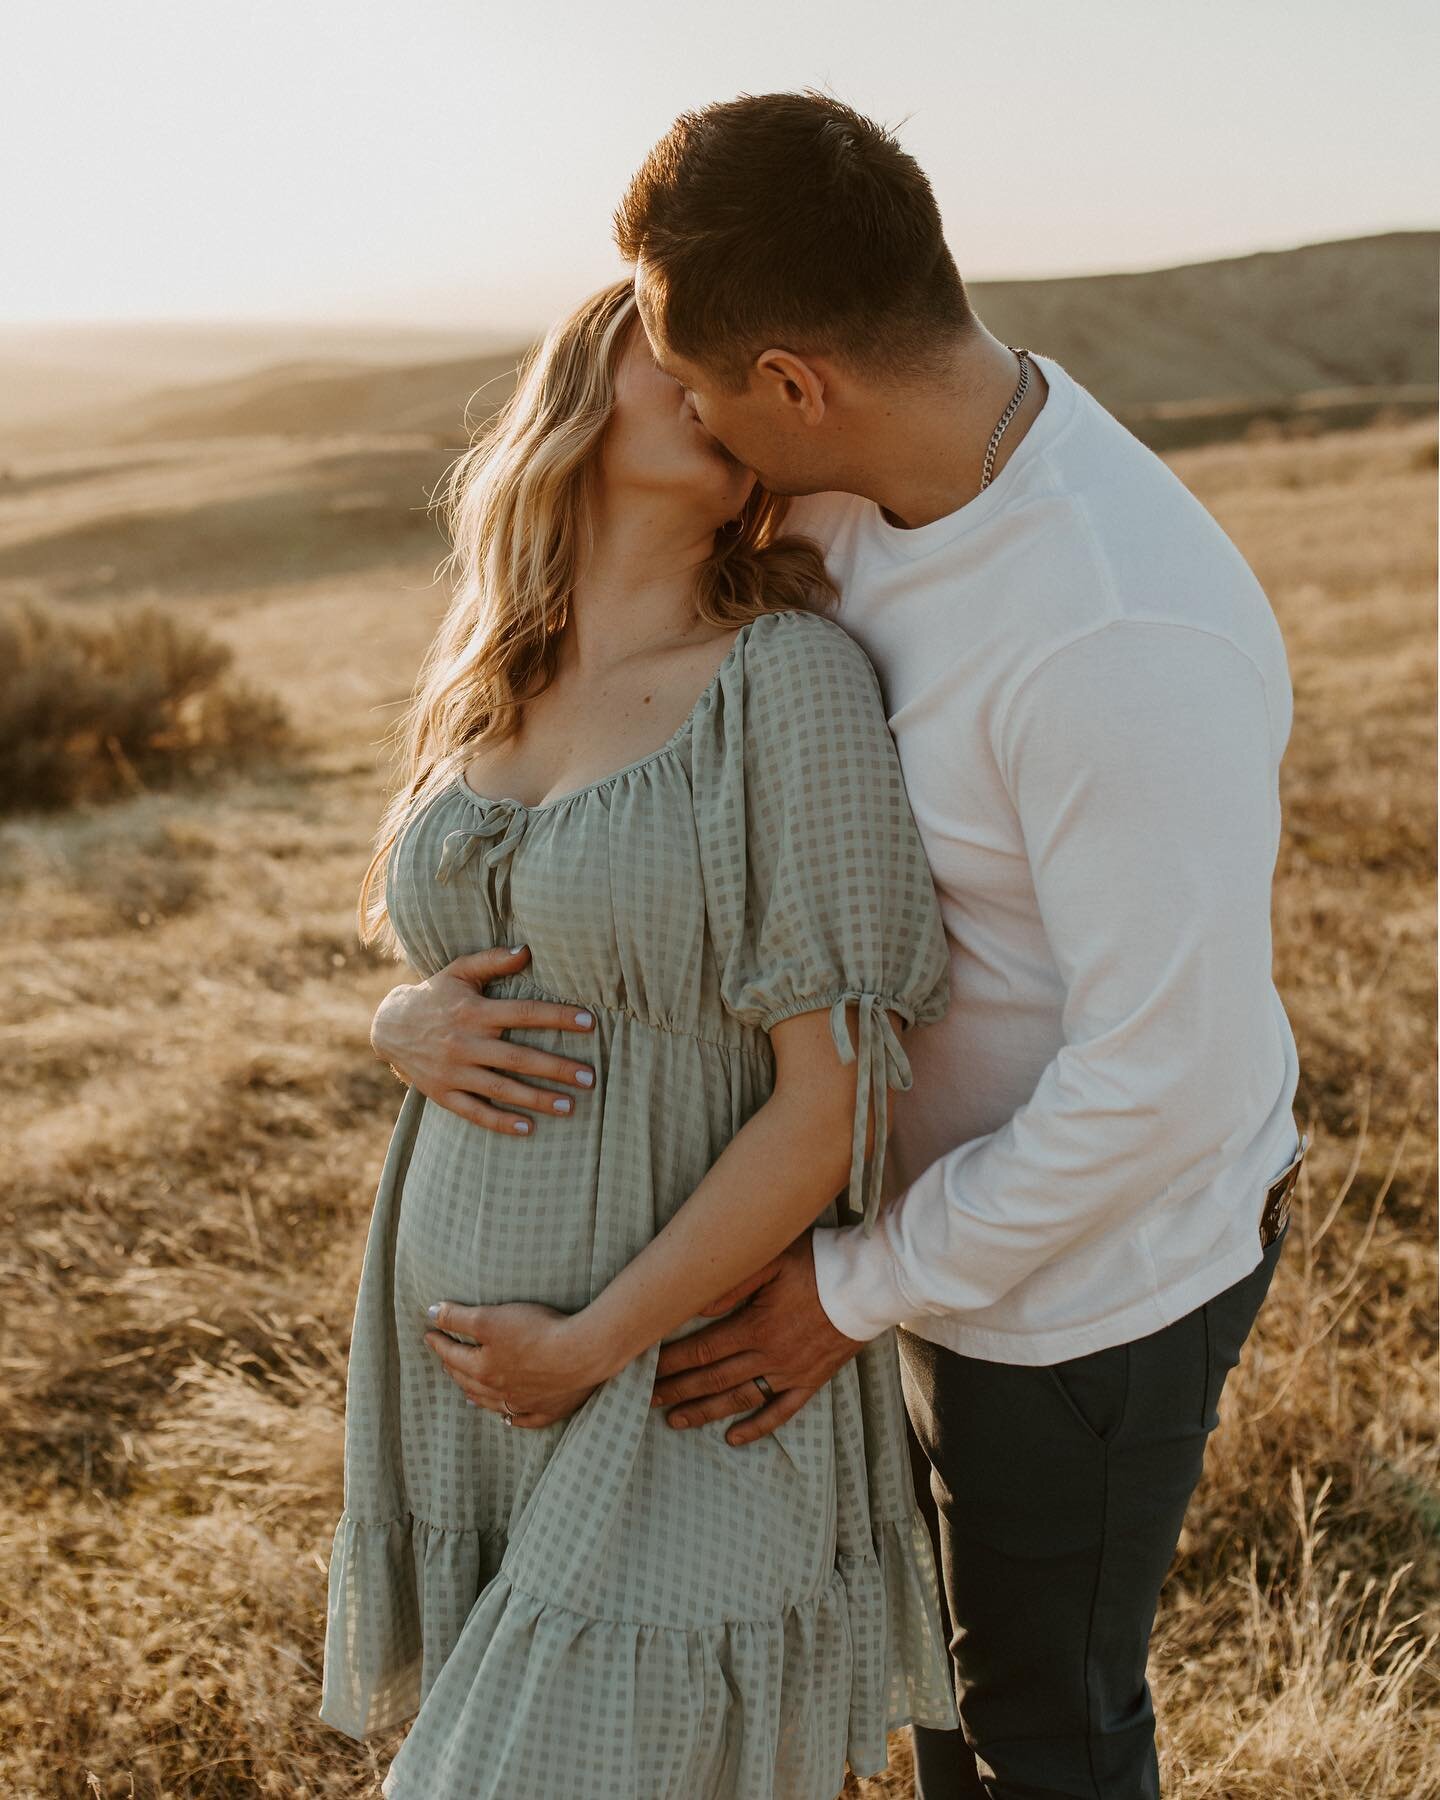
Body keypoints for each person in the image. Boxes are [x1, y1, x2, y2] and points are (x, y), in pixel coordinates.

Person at [374, 93, 1308, 1799]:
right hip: (871, 1212)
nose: (692, 422)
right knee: (940, 1715)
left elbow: (1164, 1088)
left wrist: (849, 1291)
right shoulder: (833, 499)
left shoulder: (1117, 639)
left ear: (794, 386)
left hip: (1085, 1271)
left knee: (1035, 1717)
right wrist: (409, 1014)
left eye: (697, 380)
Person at [317, 274, 964, 1799]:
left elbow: (841, 1100)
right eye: (670, 339)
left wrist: (592, 1346)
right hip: (471, 1393)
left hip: (673, 1375)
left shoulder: (787, 686)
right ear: (579, 385)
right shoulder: (489, 677)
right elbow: (458, 956)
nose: (715, 371)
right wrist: (395, 1017)